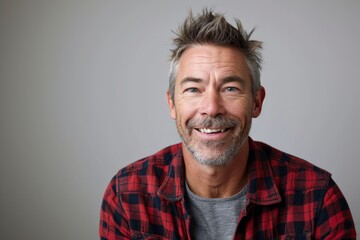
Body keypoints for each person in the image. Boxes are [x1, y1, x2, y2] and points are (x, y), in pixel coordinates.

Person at [99, 9, 356, 239]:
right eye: (193, 89)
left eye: (230, 88)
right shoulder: (127, 195)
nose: (211, 107)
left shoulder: (318, 197)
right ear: (172, 104)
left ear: (256, 102)